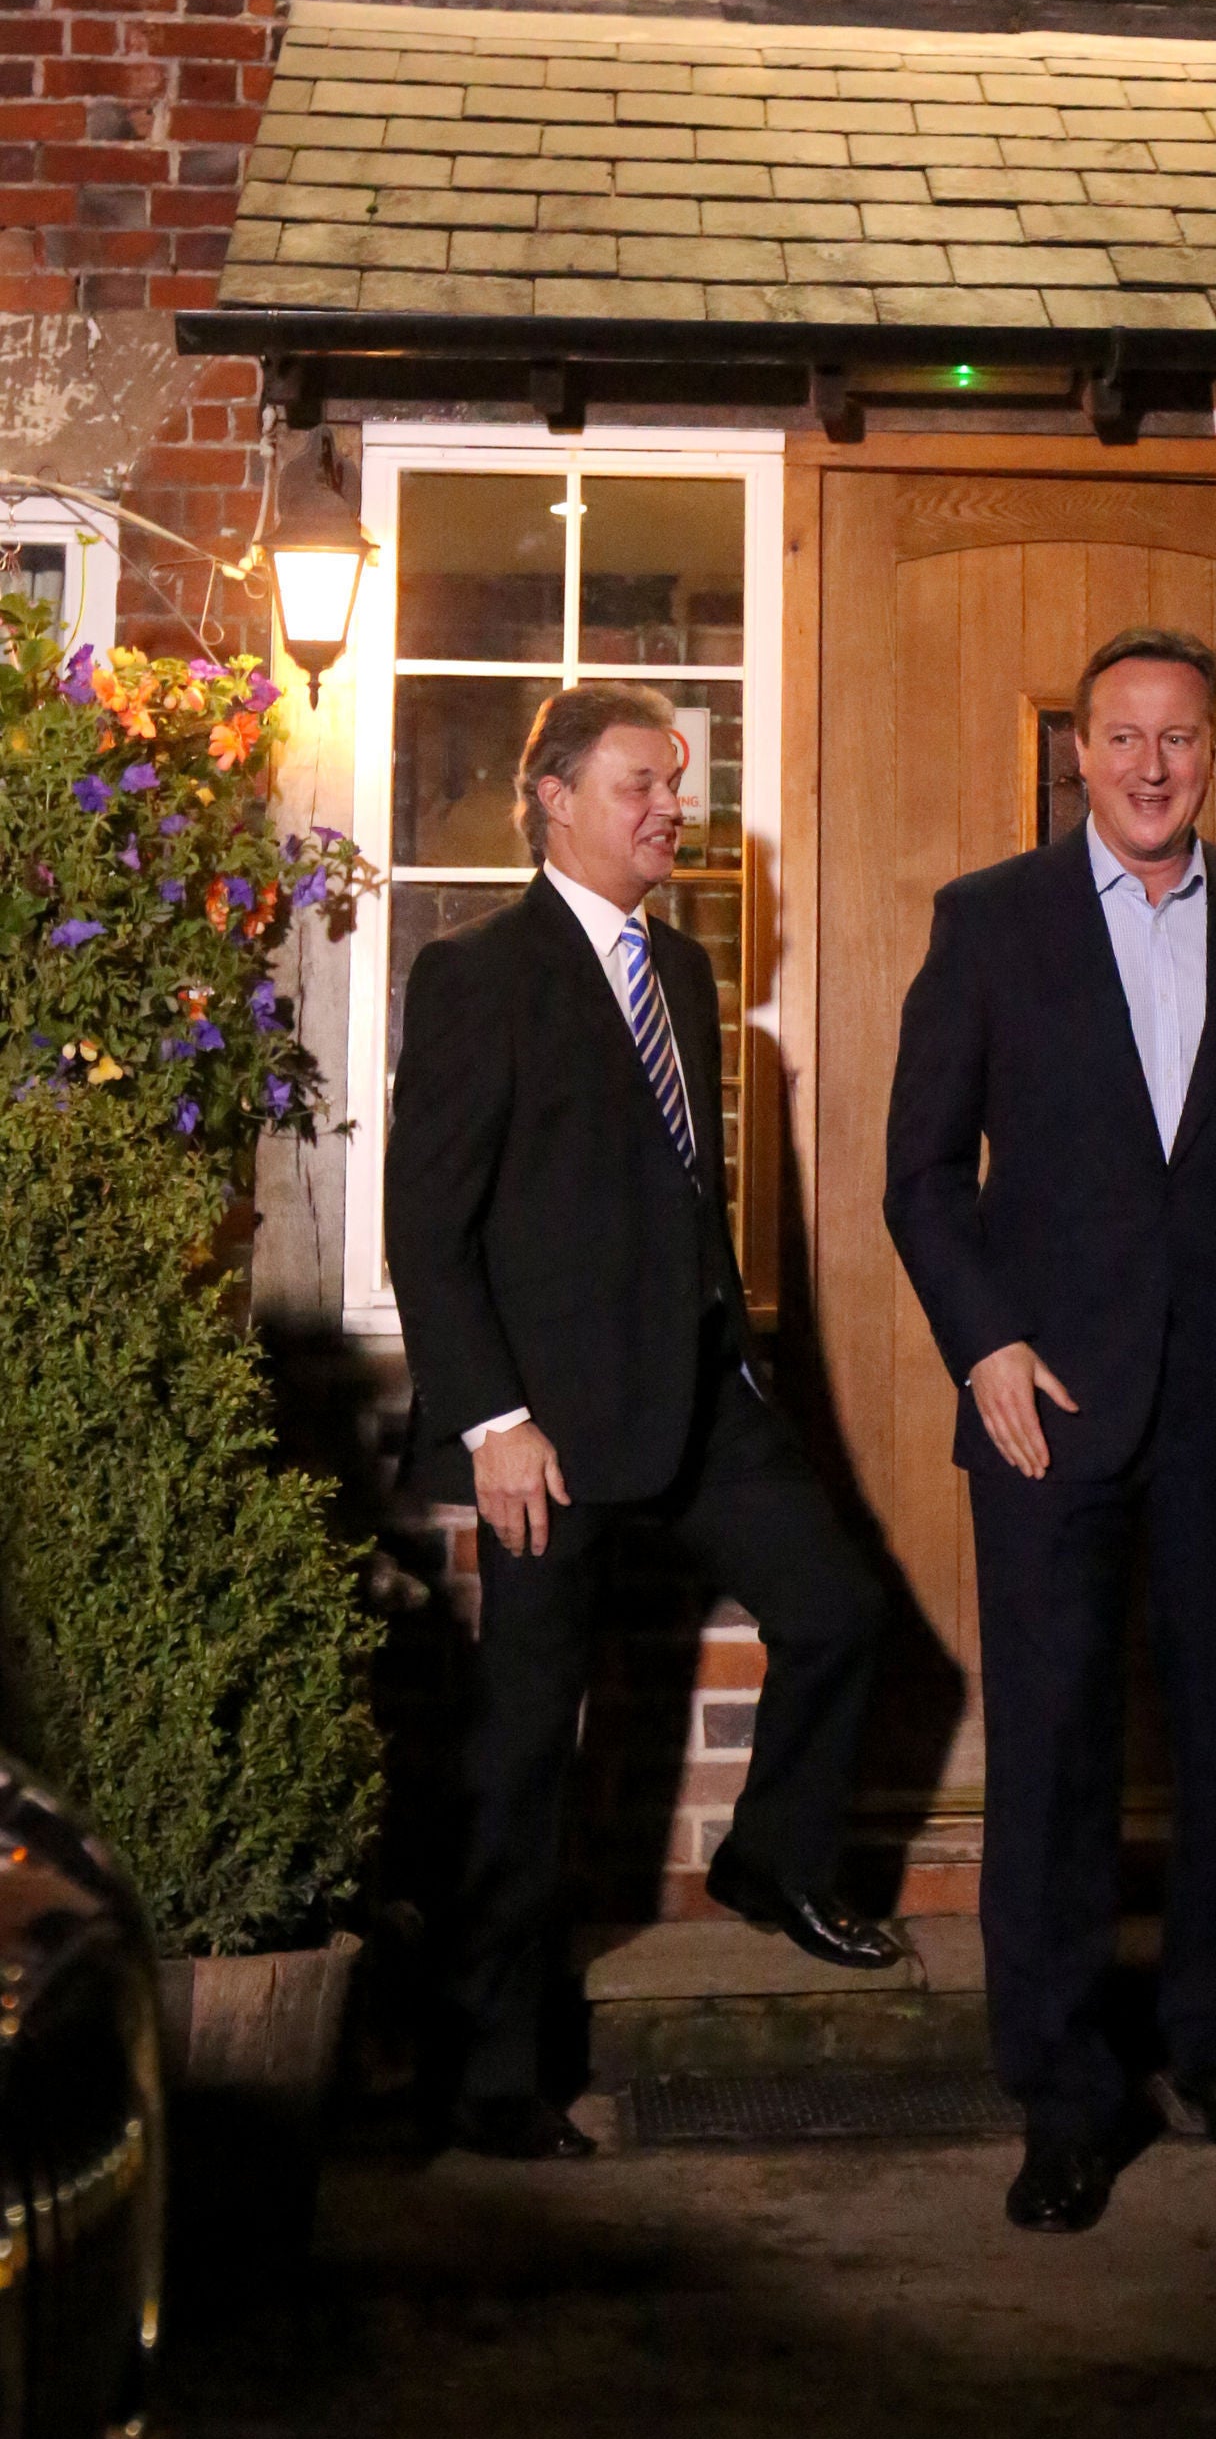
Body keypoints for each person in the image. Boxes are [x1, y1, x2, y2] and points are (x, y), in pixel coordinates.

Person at [884, 627, 1216, 2236]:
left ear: (1212, 752)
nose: (1151, 765)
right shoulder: (989, 922)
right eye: (1122, 738)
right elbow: (918, 1175)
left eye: (1180, 738)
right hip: (1049, 1410)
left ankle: (1214, 2044)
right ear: (1081, 755)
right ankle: (1063, 2093)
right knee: (1051, 1759)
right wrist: (984, 1350)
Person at [387, 682, 895, 2161]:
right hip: (545, 1433)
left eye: (677, 780)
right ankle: (487, 2077)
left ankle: (770, 1860)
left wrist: (739, 1358)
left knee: (841, 1610)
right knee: (527, 1746)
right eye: (638, 782)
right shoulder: (478, 973)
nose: (672, 803)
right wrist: (491, 1417)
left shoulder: (676, 968)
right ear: (550, 794)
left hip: (699, 1398)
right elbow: (429, 1223)